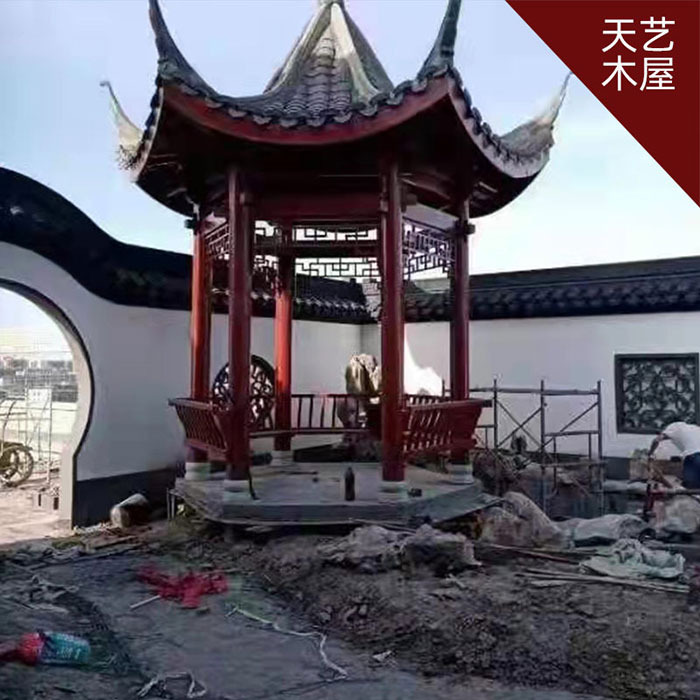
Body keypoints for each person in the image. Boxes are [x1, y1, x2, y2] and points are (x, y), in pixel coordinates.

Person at [649, 421, 700, 488]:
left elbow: (656, 440)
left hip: (694, 456)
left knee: (692, 487)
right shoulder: (695, 428)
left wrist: (650, 454)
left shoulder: (673, 426)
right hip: (695, 456)